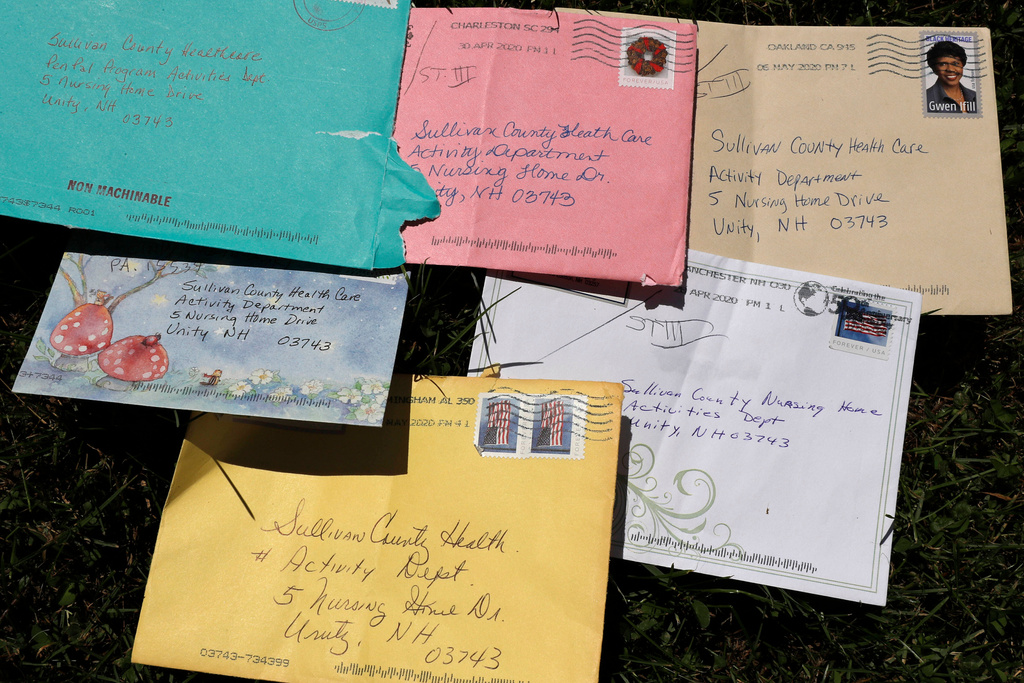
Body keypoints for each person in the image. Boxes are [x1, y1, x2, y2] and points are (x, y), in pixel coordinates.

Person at [925, 40, 977, 114]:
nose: (950, 69)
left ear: (962, 65)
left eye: (955, 63)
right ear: (934, 69)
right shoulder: (925, 100)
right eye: (943, 64)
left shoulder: (976, 96)